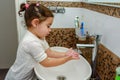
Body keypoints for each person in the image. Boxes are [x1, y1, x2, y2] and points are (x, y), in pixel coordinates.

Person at [5, 3, 80, 80]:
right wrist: (67, 59)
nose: (50, 30)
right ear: (35, 23)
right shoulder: (31, 42)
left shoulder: (40, 37)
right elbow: (46, 62)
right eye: (48, 26)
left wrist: (65, 54)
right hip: (18, 78)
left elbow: (49, 53)